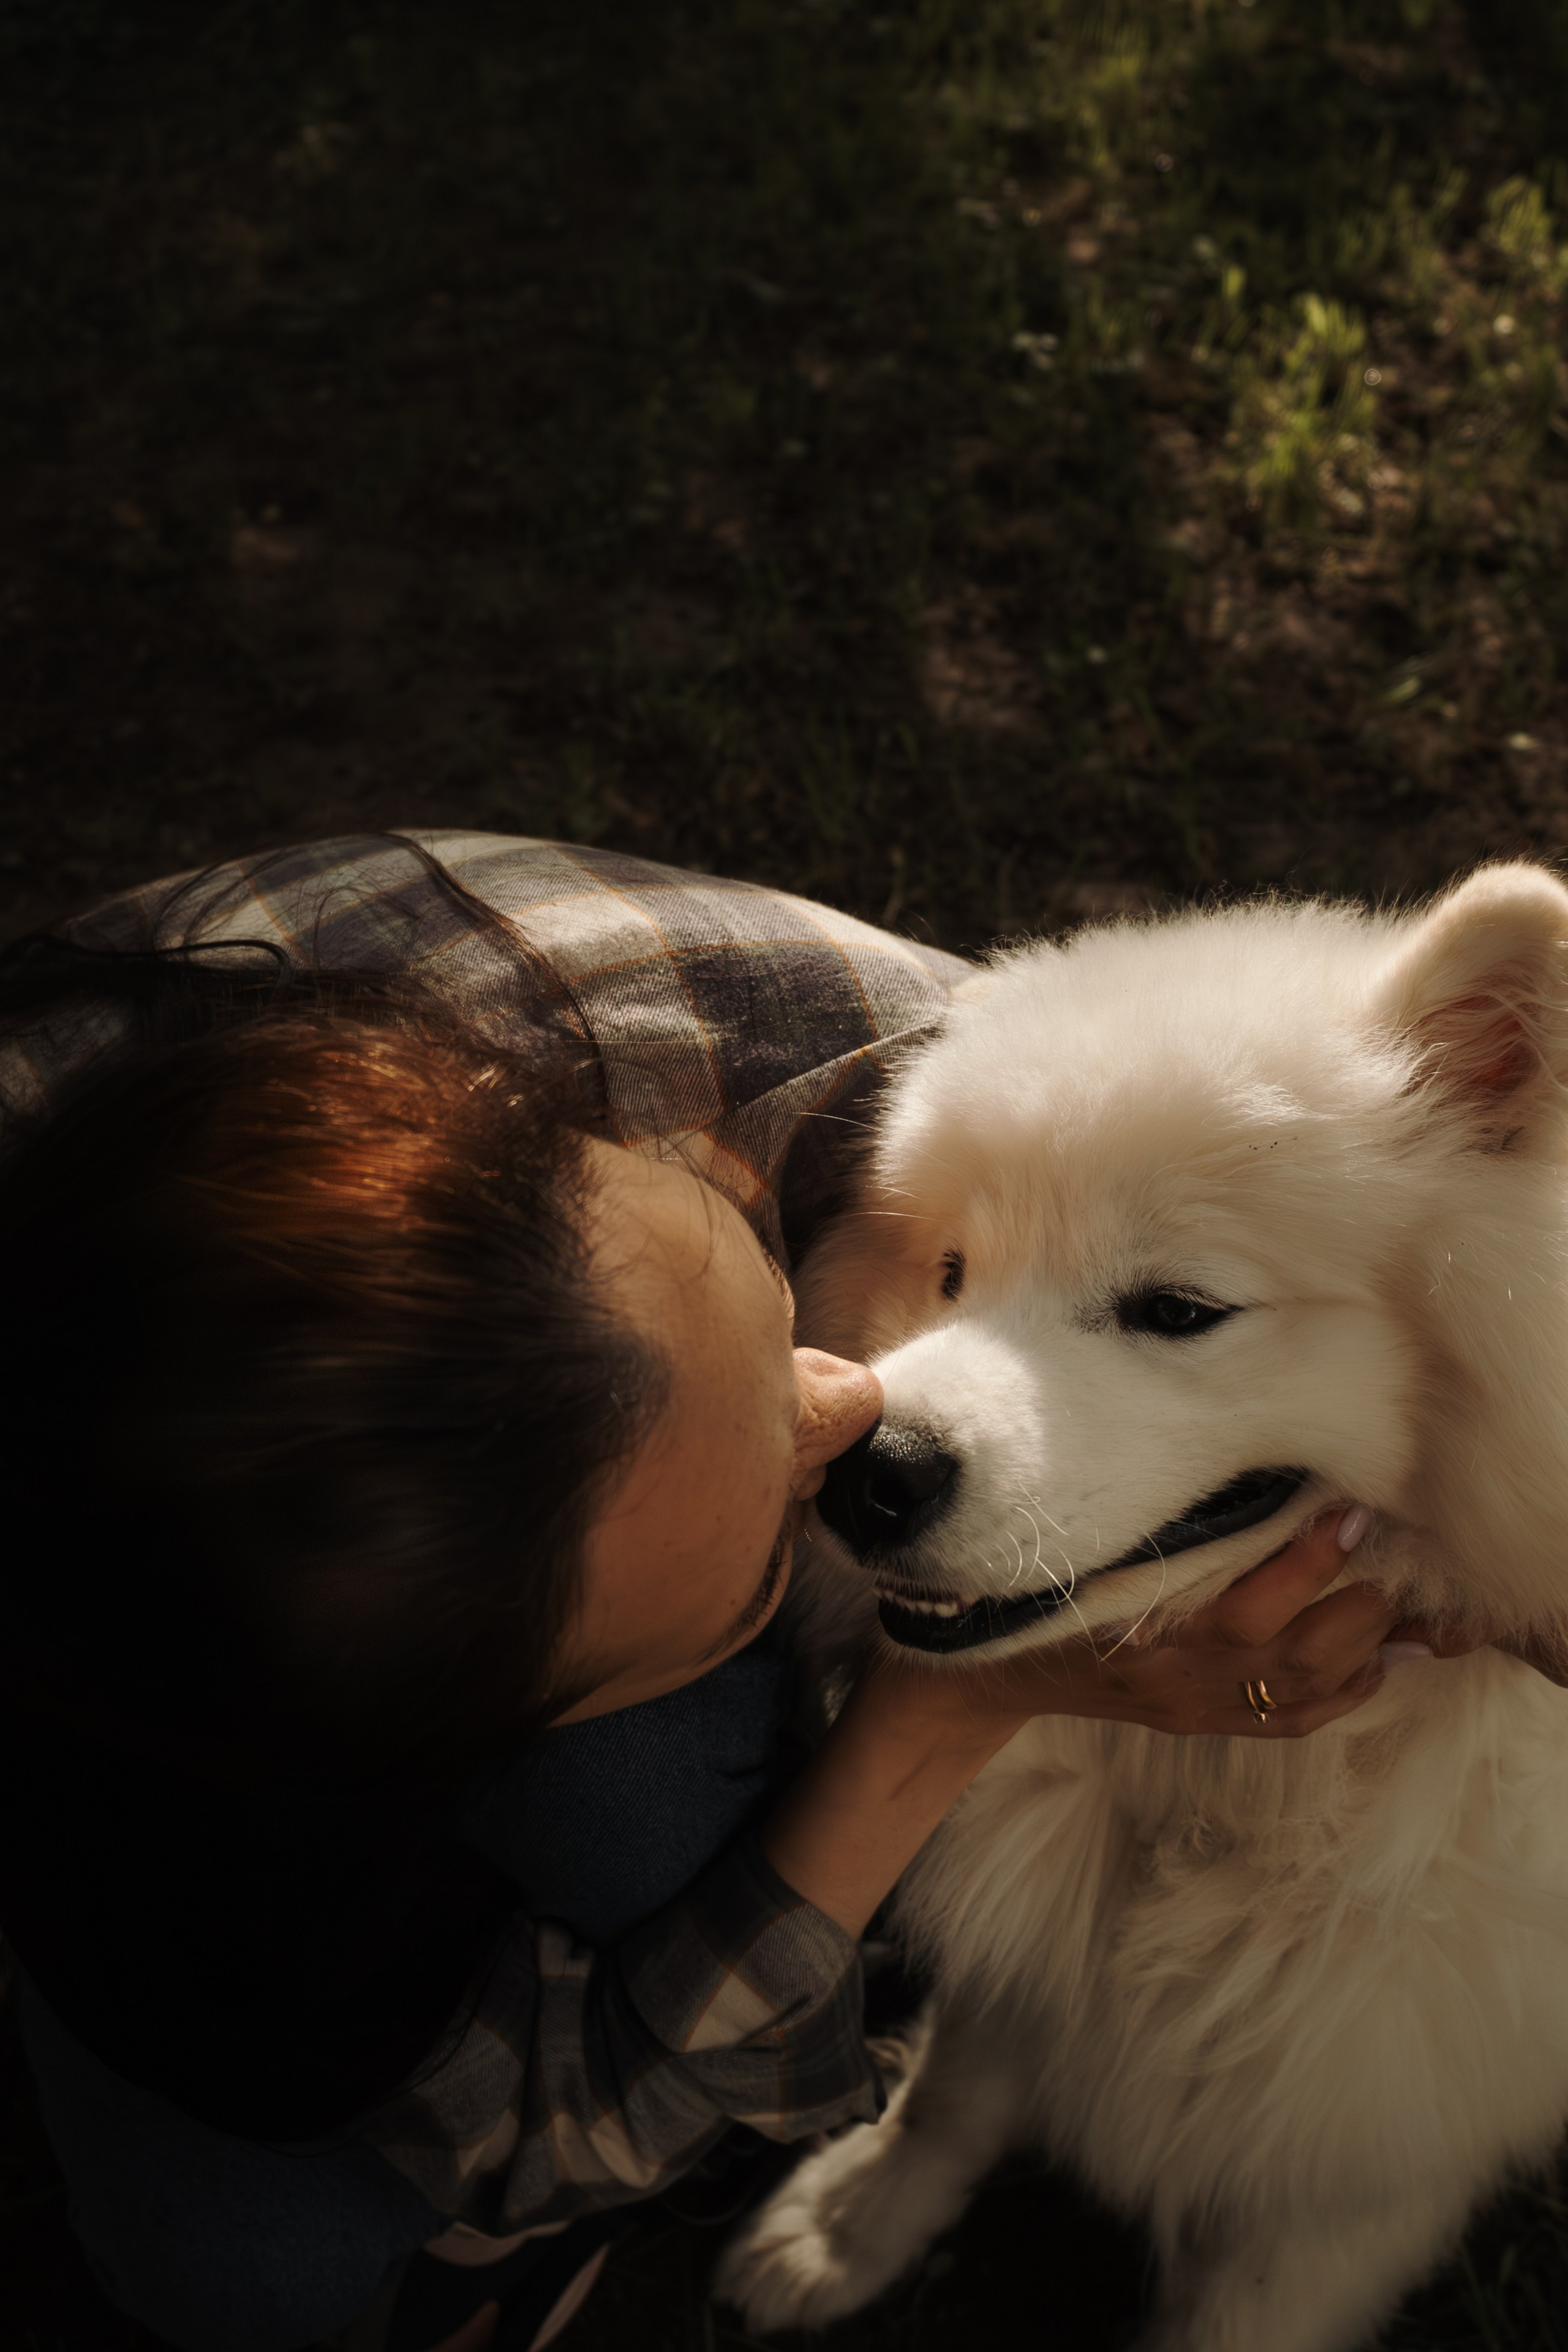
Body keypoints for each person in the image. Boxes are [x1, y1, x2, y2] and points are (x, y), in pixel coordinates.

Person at [0, 834, 1487, 2352]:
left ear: (606, 1150)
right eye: (753, 1576)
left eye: (758, 1302)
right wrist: (947, 1702)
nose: (858, 1415)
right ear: (507, 1714)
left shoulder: (721, 1044)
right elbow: (510, 2104)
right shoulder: (186, 1814)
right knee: (249, 2269)